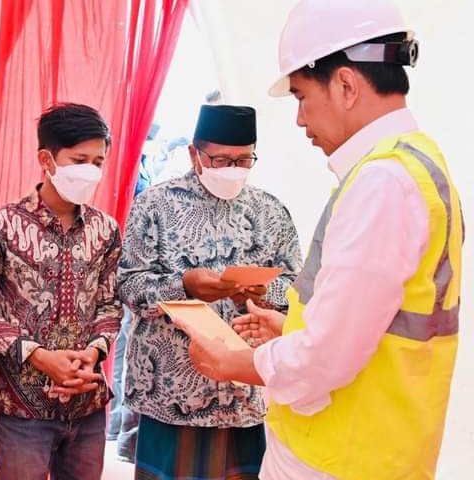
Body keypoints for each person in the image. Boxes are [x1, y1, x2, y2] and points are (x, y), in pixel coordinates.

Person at [178, 1, 464, 479]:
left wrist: (234, 362)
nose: (299, 120)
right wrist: (291, 329)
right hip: (373, 447)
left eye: (301, 96)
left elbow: (325, 358)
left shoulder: (382, 184)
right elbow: (364, 323)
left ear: (346, 85)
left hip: (339, 456)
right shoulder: (414, 165)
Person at [118, 104, 302, 480]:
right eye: (220, 160)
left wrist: (264, 291)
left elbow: (296, 291)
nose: (232, 169)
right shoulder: (154, 206)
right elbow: (128, 285)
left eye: (243, 160)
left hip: (243, 397)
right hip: (171, 395)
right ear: (194, 154)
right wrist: (184, 286)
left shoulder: (270, 212)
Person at [0, 102, 123, 480]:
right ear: (46, 160)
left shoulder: (106, 230)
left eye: (98, 162)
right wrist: (39, 357)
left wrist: (92, 352)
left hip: (87, 404)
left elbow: (110, 304)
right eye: (79, 160)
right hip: (22, 410)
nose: (90, 171)